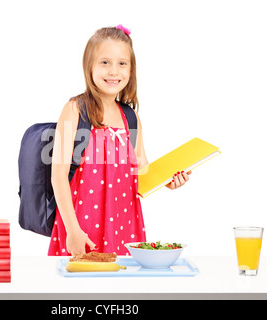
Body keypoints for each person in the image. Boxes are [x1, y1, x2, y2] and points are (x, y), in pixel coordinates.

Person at [48, 25, 191, 256]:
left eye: (122, 63)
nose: (114, 71)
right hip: (81, 226)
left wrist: (168, 180)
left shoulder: (131, 117)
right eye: (105, 62)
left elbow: (142, 171)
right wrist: (72, 230)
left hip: (124, 224)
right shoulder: (75, 110)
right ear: (89, 66)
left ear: (131, 69)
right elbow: (58, 177)